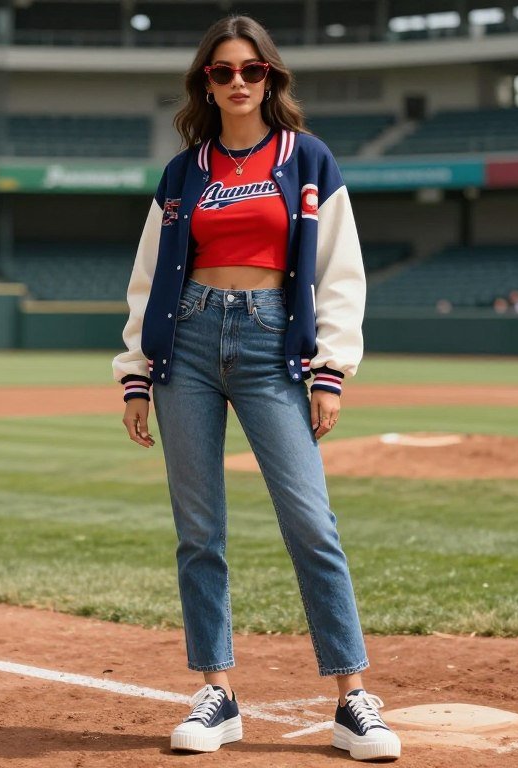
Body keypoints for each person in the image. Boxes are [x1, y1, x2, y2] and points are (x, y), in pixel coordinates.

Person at [112, 14, 400, 763]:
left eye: (251, 70)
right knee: (199, 532)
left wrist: (330, 370)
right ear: (204, 84)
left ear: (271, 78)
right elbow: (148, 281)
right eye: (222, 72)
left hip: (276, 344)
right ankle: (218, 692)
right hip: (191, 347)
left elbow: (341, 273)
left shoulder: (308, 160)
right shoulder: (183, 174)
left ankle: (351, 697)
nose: (237, 82)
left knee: (312, 523)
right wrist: (135, 376)